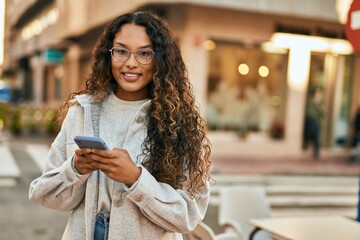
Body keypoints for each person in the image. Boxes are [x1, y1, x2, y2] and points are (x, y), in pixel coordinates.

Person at [29, 11, 212, 240]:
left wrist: (136, 179)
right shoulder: (82, 112)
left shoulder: (180, 122)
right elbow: (43, 194)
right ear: (109, 54)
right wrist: (75, 168)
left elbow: (188, 215)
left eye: (144, 53)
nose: (131, 63)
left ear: (160, 59)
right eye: (122, 51)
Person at [303, 87, 325, 159]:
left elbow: (322, 112)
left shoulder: (318, 103)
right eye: (318, 93)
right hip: (311, 120)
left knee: (315, 137)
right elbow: (314, 112)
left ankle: (315, 152)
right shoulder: (312, 102)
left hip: (314, 121)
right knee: (312, 135)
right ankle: (309, 148)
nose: (319, 95)